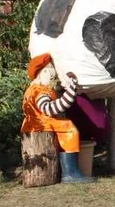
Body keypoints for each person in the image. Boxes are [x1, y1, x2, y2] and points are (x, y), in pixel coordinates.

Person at [22, 53, 95, 184]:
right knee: (69, 128)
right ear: (41, 73)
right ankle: (70, 172)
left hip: (32, 123)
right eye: (48, 72)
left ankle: (69, 170)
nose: (52, 76)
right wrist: (71, 90)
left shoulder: (32, 89)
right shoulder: (40, 91)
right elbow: (49, 109)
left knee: (65, 125)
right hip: (42, 124)